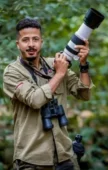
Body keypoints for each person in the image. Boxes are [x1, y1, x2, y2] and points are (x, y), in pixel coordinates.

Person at [3, 18, 93, 169]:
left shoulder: (56, 64)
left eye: (35, 39)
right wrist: (59, 75)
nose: (31, 44)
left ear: (41, 42)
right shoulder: (12, 72)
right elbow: (35, 100)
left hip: (65, 155)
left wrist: (83, 65)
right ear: (18, 44)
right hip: (32, 159)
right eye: (25, 40)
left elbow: (84, 94)